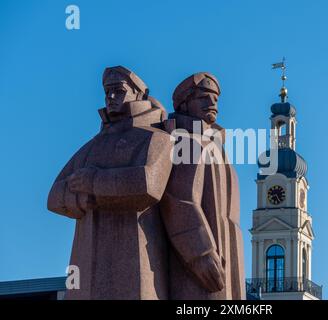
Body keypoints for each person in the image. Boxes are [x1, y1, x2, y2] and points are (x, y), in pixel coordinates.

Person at [47, 66, 173, 299]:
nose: (111, 97)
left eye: (119, 91)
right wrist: (83, 197)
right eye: (107, 92)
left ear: (139, 94)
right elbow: (54, 196)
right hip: (87, 265)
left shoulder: (156, 138)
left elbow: (148, 185)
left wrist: (94, 182)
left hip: (137, 262)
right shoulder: (93, 146)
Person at [160, 72, 245, 299]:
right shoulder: (187, 142)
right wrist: (201, 254)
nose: (213, 103)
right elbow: (179, 201)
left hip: (227, 266)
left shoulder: (216, 147)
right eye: (204, 97)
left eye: (216, 99)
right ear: (185, 104)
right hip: (202, 272)